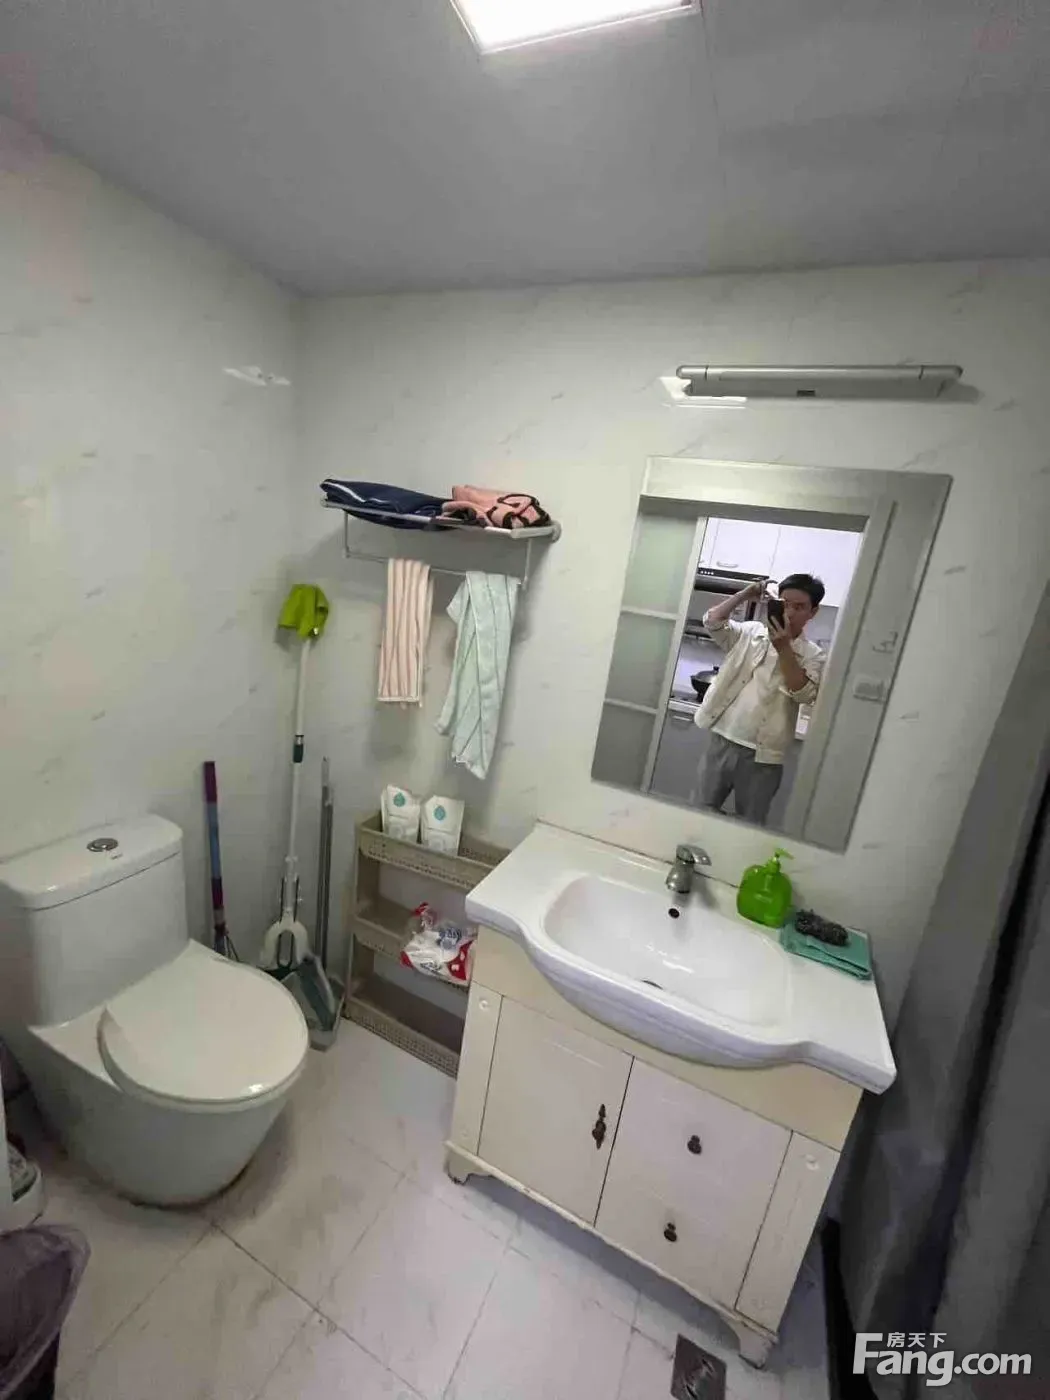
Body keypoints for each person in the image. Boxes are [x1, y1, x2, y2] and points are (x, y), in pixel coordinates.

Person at [694, 573, 826, 825]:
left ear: (813, 612)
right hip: (723, 738)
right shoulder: (750, 632)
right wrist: (745, 594)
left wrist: (784, 647)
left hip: (764, 756)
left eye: (799, 607)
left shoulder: (813, 655)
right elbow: (712, 622)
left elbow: (805, 694)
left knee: (750, 823)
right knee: (699, 812)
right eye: (785, 604)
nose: (789, 612)